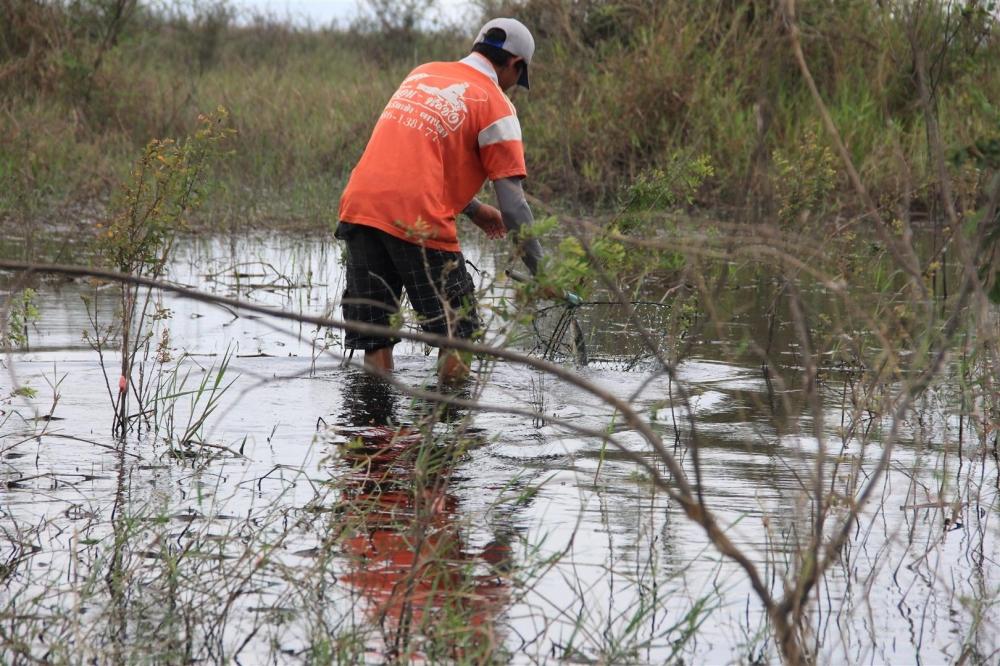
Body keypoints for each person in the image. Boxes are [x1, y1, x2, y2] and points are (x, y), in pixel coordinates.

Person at [336, 17, 545, 384]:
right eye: (518, 79)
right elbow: (514, 207)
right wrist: (543, 273)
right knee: (460, 335)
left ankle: (374, 434)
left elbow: (414, 158)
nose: (513, 88)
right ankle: (449, 434)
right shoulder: (497, 105)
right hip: (417, 218)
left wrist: (475, 209)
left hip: (360, 207)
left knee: (375, 334)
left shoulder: (423, 74)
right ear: (515, 64)